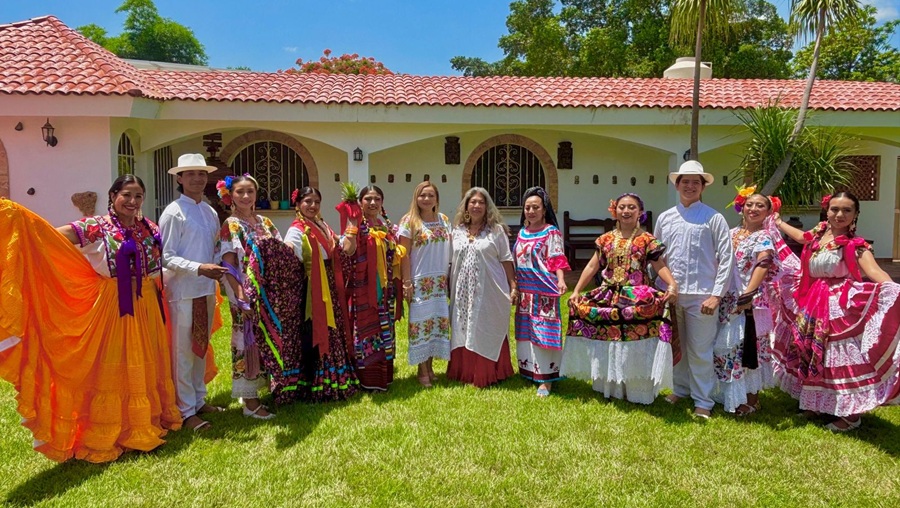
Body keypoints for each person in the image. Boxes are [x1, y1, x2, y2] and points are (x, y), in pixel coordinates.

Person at [0, 176, 182, 462]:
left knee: (143, 361)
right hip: (113, 304)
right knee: (113, 363)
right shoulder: (95, 226)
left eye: (138, 196)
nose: (132, 201)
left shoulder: (149, 228)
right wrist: (22, 221)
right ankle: (106, 431)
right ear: (113, 195)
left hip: (147, 304)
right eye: (126, 194)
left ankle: (142, 423)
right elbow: (49, 238)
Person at [771, 191, 900, 431]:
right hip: (812, 301)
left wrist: (893, 291)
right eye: (835, 209)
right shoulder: (818, 235)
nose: (839, 214)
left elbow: (876, 273)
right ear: (827, 211)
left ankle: (850, 415)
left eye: (847, 210)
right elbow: (801, 237)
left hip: (839, 305)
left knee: (839, 356)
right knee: (811, 351)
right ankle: (816, 403)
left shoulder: (856, 246)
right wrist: (778, 222)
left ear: (855, 214)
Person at [563, 193, 678, 404]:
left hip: (637, 298)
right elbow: (593, 265)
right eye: (622, 207)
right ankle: (611, 387)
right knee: (610, 340)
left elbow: (659, 264)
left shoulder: (647, 240)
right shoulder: (605, 239)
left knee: (635, 342)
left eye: (632, 207)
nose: (626, 211)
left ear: (640, 212)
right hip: (609, 295)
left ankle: (636, 389)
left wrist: (672, 284)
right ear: (615, 211)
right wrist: (577, 290)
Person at [654, 161, 734, 419]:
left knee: (700, 349)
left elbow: (727, 258)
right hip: (672, 294)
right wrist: (661, 287)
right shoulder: (665, 218)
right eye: (685, 181)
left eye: (695, 182)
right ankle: (681, 388)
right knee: (676, 346)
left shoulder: (714, 218)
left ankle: (703, 401)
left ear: (703, 187)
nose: (690, 186)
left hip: (702, 295)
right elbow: (657, 256)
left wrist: (716, 295)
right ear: (677, 185)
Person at [160, 153, 228, 432]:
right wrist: (199, 268)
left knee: (200, 345)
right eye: (190, 174)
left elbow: (214, 247)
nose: (197, 179)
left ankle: (199, 400)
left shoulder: (209, 211)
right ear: (180, 178)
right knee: (183, 352)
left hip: (206, 289)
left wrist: (222, 262)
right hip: (182, 291)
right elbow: (166, 256)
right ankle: (185, 410)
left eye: (201, 174)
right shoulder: (173, 212)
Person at [282, 186, 360, 401]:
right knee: (318, 330)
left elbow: (344, 249)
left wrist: (352, 223)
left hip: (329, 284)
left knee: (333, 328)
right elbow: (289, 252)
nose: (313, 205)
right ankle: (315, 381)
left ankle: (335, 377)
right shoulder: (297, 230)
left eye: (316, 201)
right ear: (298, 204)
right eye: (307, 201)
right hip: (313, 288)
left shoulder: (322, 225)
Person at [214, 175, 277, 419]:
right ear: (230, 195)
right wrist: (242, 297)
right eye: (240, 192)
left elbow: (279, 251)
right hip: (246, 293)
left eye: (250, 191)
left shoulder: (265, 222)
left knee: (265, 341)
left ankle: (263, 389)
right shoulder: (231, 225)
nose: (246, 196)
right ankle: (250, 403)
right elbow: (229, 264)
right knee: (245, 342)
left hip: (268, 293)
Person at [713, 190, 781, 416]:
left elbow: (763, 263)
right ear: (741, 207)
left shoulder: (764, 236)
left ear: (768, 212)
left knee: (748, 347)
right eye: (750, 204)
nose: (754, 209)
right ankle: (730, 395)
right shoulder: (730, 233)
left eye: (760, 205)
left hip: (750, 300)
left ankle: (752, 399)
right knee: (726, 347)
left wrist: (748, 294)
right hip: (726, 297)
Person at [447, 187, 517, 388]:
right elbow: (450, 261)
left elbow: (506, 259)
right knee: (463, 325)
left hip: (489, 289)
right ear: (466, 206)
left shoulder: (496, 231)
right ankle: (464, 371)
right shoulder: (457, 231)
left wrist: (513, 285)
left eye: (481, 202)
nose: (476, 206)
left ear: (487, 207)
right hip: (462, 291)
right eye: (473, 202)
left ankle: (488, 372)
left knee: (485, 324)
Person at [341, 185, 403, 391]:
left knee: (384, 330)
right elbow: (348, 250)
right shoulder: (357, 224)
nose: (373, 203)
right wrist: (352, 224)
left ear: (382, 202)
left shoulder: (386, 226)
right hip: (364, 289)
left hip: (385, 290)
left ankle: (384, 375)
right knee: (366, 329)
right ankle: (368, 378)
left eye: (377, 198)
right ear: (360, 203)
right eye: (368, 199)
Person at [513, 187, 571, 397]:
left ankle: (546, 380)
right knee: (526, 332)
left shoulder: (550, 232)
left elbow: (557, 257)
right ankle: (530, 371)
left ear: (544, 209)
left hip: (544, 290)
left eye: (535, 207)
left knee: (544, 332)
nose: (531, 211)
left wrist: (561, 280)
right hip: (525, 291)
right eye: (527, 207)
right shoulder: (522, 232)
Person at [398, 181, 452, 387]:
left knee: (435, 324)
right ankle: (422, 370)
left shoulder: (444, 220)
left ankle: (430, 367)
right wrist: (407, 282)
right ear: (416, 198)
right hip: (420, 282)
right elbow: (403, 255)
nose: (426, 199)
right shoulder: (409, 221)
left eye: (430, 195)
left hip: (440, 282)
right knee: (420, 325)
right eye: (422, 195)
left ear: (437, 198)